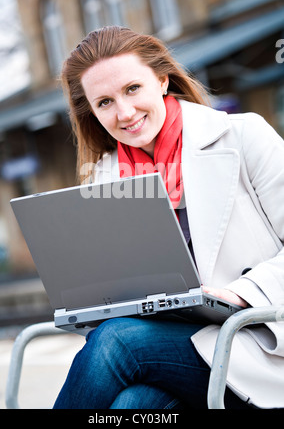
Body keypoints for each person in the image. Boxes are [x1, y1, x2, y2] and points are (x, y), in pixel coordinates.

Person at [53, 26, 284, 409]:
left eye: (132, 89)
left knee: (116, 342)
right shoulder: (101, 179)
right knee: (132, 405)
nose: (124, 113)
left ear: (162, 80)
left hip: (257, 342)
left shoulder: (243, 137)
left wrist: (241, 293)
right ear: (91, 112)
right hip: (173, 345)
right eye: (105, 102)